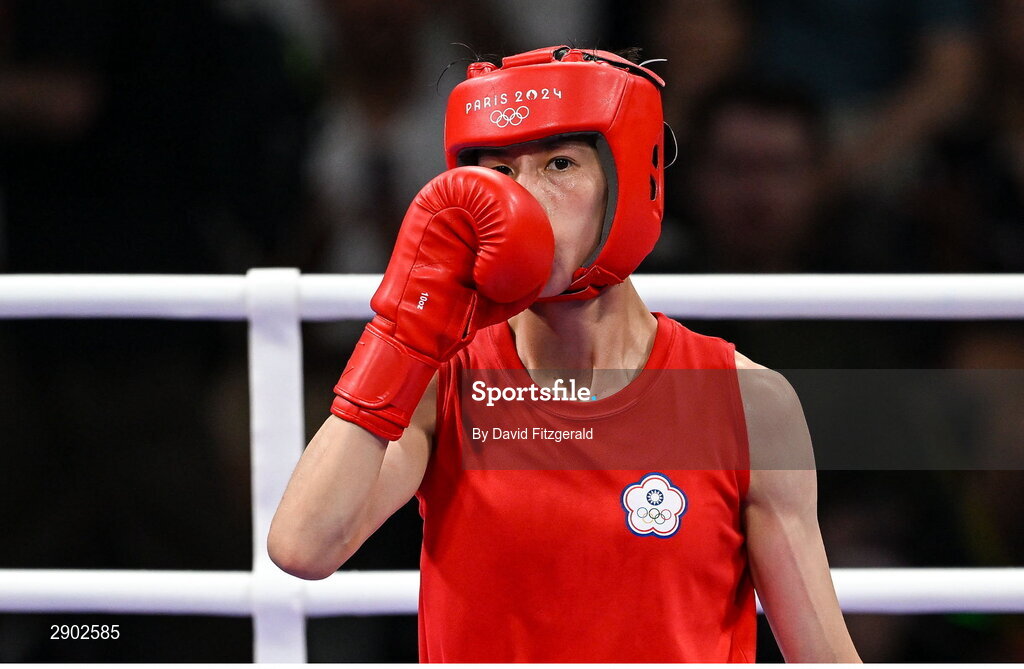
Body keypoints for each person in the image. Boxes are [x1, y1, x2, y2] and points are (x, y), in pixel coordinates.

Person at [269, 45, 860, 663]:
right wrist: (405, 332)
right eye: (498, 172)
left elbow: (825, 658)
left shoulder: (744, 402)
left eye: (558, 164)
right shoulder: (442, 381)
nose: (519, 201)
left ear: (630, 180)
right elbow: (303, 548)